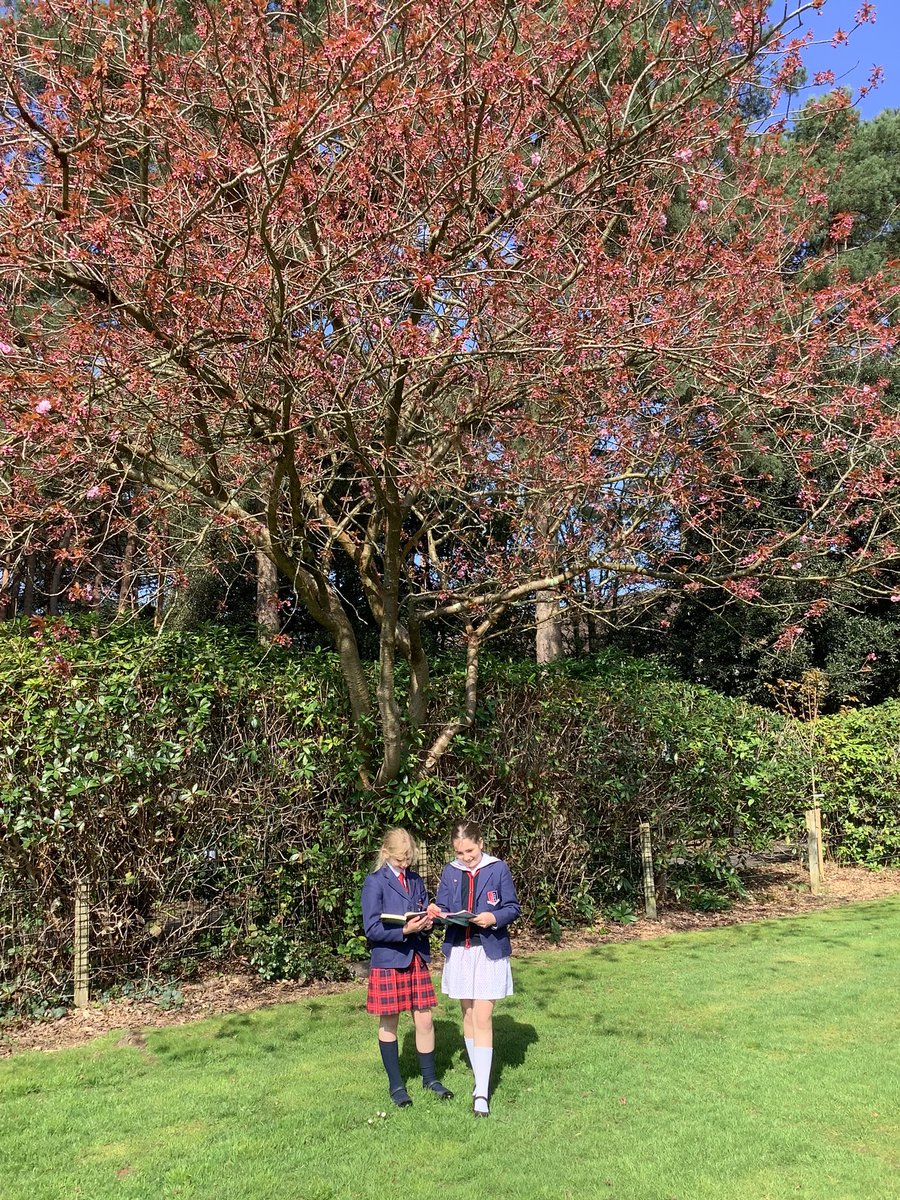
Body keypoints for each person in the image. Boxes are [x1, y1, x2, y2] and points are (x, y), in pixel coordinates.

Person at [427, 820, 520, 1117]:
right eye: (459, 852)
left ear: (481, 842)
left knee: (483, 1016)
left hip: (489, 951)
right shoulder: (450, 871)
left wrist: (492, 918)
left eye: (469, 850)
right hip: (460, 951)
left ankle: (482, 1091)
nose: (465, 857)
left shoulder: (498, 868)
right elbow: (443, 908)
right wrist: (437, 912)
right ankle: (478, 1076)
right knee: (467, 1014)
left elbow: (512, 907)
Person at [361, 827, 454, 1107]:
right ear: (385, 854)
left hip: (415, 957)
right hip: (389, 959)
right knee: (389, 1020)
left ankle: (430, 1079)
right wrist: (403, 930)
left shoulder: (415, 880)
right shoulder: (374, 882)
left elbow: (423, 912)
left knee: (424, 1019)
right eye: (400, 859)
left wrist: (429, 921)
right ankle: (396, 1085)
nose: (405, 864)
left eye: (408, 859)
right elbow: (371, 928)